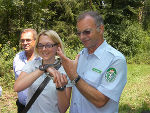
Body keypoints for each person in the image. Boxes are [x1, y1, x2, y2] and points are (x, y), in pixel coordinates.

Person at [57, 11, 127, 113]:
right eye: (79, 33)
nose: (82, 37)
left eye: (87, 32)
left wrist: (74, 76)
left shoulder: (115, 59)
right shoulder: (82, 54)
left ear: (101, 29)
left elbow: (101, 100)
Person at [14, 30, 72, 113]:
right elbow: (17, 87)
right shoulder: (31, 65)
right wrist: (43, 69)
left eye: (48, 45)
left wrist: (60, 88)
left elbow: (63, 109)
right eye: (40, 45)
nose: (44, 49)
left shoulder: (65, 70)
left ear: (57, 46)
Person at [13, 28, 37, 113]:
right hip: (21, 106)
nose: (25, 43)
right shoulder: (17, 57)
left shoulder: (42, 58)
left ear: (35, 41)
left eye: (28, 40)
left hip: (38, 107)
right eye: (22, 40)